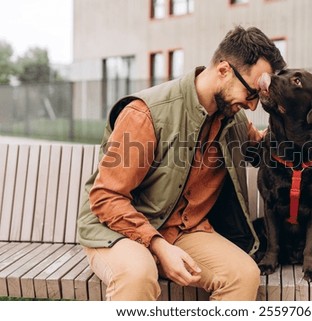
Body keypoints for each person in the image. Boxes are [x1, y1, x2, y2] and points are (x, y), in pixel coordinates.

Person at [77, 25, 286, 301]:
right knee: (138, 274)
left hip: (185, 230)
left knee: (244, 276)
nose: (252, 106)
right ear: (224, 70)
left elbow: (263, 150)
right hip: (119, 229)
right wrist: (158, 247)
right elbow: (106, 197)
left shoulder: (234, 120)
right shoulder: (146, 113)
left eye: (259, 98)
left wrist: (294, 111)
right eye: (251, 94)